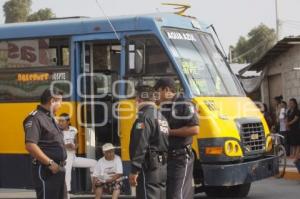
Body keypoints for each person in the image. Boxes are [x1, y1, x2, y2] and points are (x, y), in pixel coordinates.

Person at [154, 78, 199, 199]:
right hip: (166, 157)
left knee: (176, 194)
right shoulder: (163, 106)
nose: (156, 95)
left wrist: (170, 132)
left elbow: (195, 129)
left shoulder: (185, 103)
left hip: (181, 157)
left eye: (158, 91)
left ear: (166, 90)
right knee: (169, 193)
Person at [23, 88, 67, 199]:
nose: (61, 105)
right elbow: (30, 145)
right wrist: (50, 163)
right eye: (60, 101)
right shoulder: (35, 118)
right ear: (52, 101)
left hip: (58, 169)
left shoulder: (50, 117)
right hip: (47, 169)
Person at [129, 85, 169, 199]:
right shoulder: (161, 117)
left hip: (148, 167)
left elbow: (140, 144)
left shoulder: (144, 117)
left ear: (139, 100)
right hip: (162, 166)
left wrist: (134, 170)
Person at [58, 113, 97, 198]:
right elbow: (54, 145)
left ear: (68, 121)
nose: (60, 123)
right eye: (59, 121)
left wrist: (75, 146)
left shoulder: (73, 129)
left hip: (73, 157)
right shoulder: (56, 131)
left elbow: (76, 142)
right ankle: (66, 195)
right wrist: (66, 146)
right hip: (64, 157)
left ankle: (94, 188)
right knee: (67, 175)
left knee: (94, 163)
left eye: (62, 121)